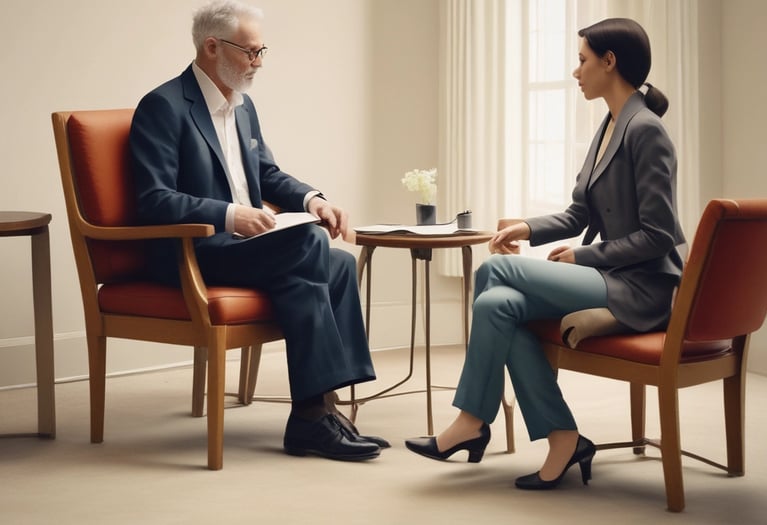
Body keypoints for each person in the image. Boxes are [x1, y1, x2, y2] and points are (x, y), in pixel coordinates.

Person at [405, 17, 686, 489]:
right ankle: (563, 436)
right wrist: (526, 227)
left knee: (495, 273)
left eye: (582, 61)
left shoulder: (645, 130)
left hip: (640, 288)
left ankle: (473, 419)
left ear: (609, 62)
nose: (576, 72)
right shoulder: (610, 125)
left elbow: (660, 236)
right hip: (613, 277)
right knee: (497, 306)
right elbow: (579, 213)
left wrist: (585, 257)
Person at [129, 0, 388, 461]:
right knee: (311, 246)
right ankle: (313, 418)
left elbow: (267, 174)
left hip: (247, 248)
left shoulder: (242, 106)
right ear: (212, 47)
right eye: (251, 52)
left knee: (339, 263)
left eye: (261, 51)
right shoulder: (163, 106)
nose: (259, 63)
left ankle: (321, 410)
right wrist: (231, 214)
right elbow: (152, 200)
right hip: (193, 251)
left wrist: (314, 200)